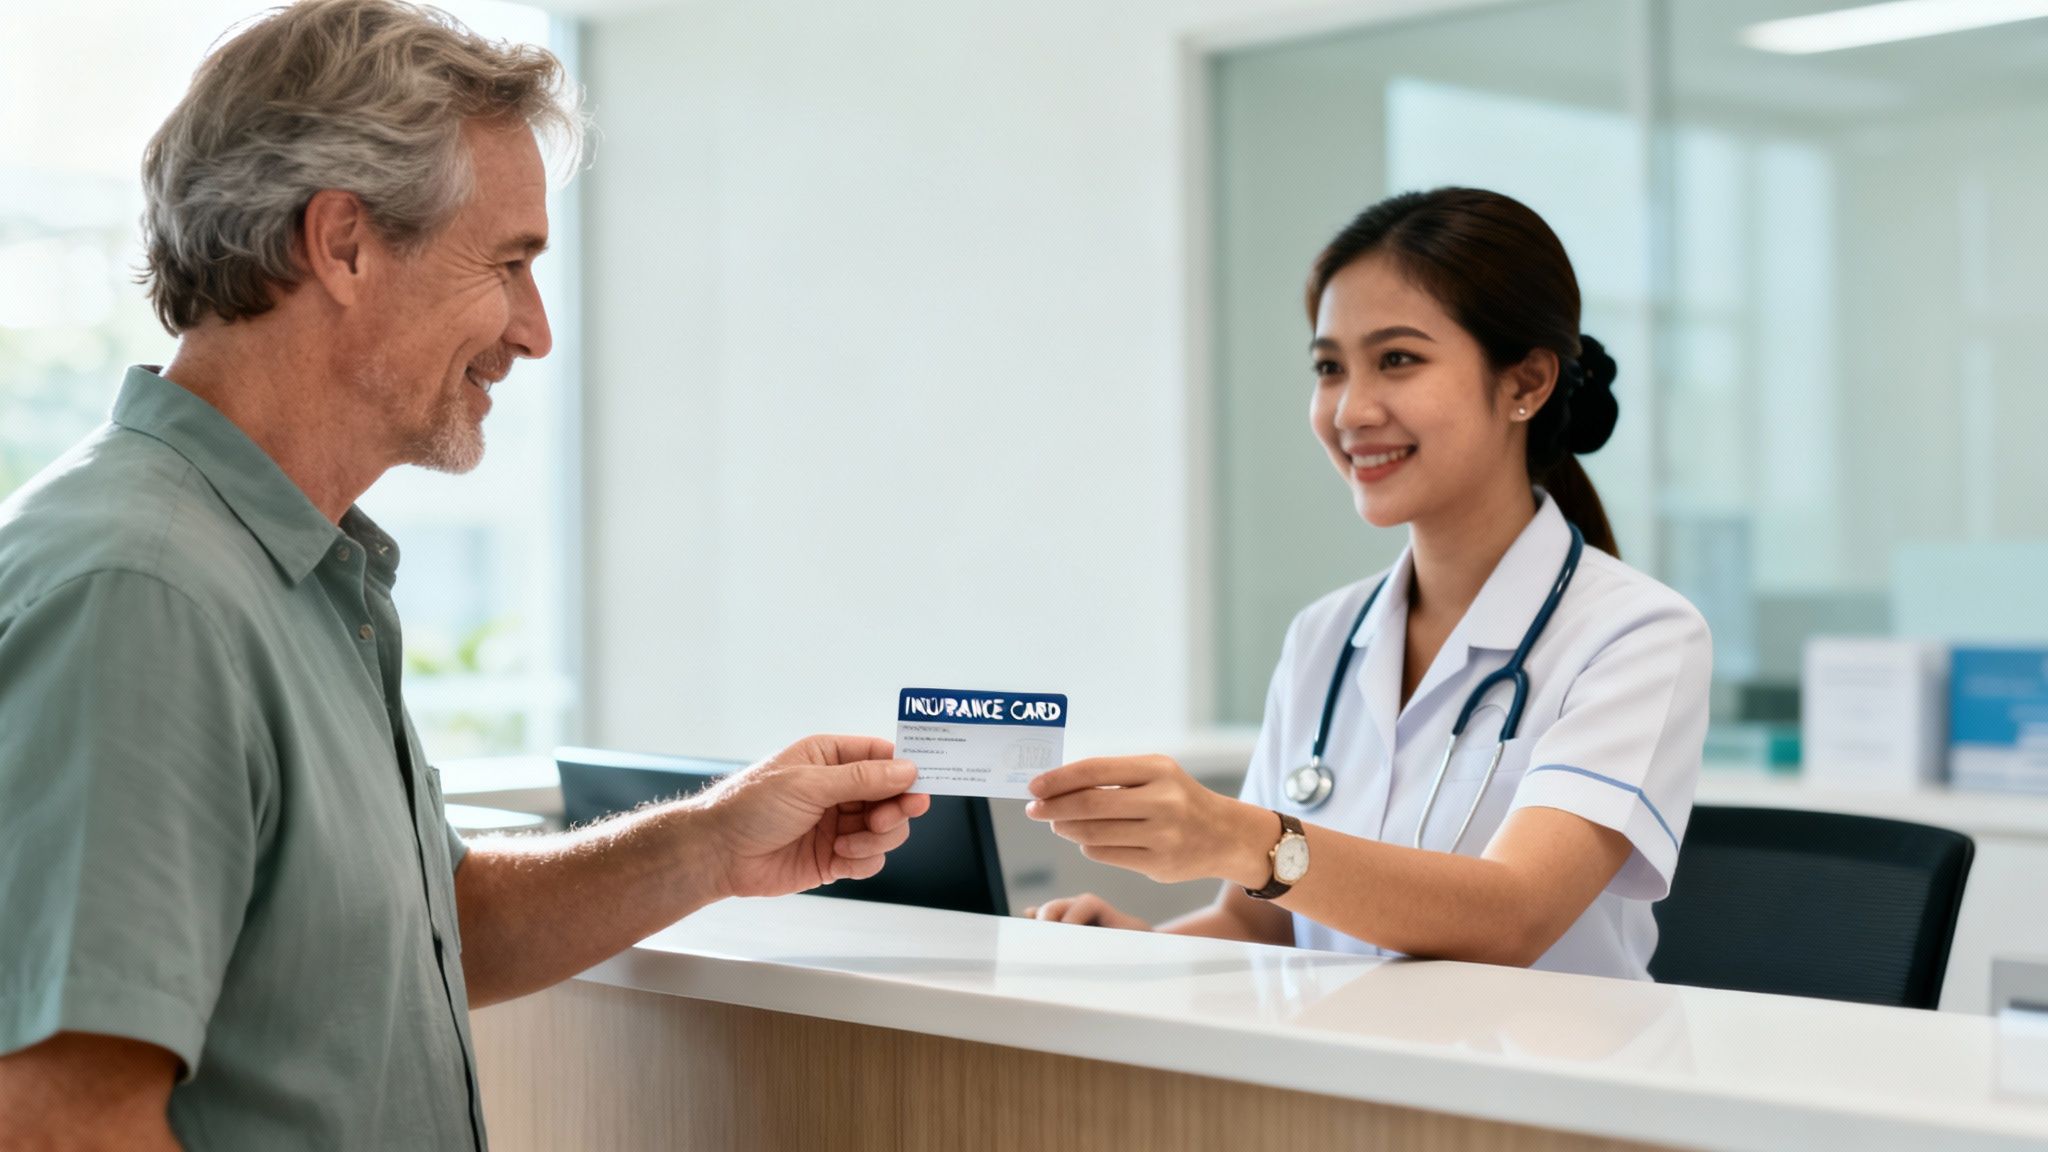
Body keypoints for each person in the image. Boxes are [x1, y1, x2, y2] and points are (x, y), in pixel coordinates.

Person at [0, 3, 927, 1148]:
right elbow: (57, 1123)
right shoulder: (141, 595)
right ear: (341, 243)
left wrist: (713, 843)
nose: (534, 331)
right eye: (507, 263)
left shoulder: (293, 571)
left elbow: (431, 929)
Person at [1024, 188, 1711, 981]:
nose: (1350, 410)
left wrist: (1240, 835)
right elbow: (1261, 923)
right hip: (1342, 1086)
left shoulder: (1636, 635)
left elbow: (1516, 914)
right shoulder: (1326, 635)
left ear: (1526, 382)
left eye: (1398, 359)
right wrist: (1131, 949)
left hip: (1536, 1092)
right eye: (1328, 368)